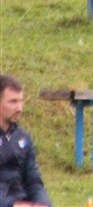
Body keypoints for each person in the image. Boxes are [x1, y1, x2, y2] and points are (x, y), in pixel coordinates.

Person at [0, 75, 52, 207]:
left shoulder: (23, 138)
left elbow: (33, 180)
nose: (19, 108)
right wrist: (12, 205)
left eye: (21, 101)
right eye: (13, 102)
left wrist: (42, 203)